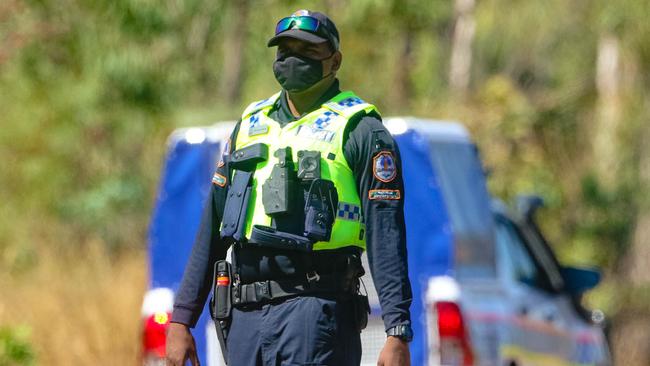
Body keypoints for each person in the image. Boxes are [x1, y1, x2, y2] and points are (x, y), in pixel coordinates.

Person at [166, 9, 413, 366]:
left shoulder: (361, 130)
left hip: (316, 312)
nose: (293, 59)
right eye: (285, 50)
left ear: (335, 60)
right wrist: (182, 319)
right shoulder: (250, 124)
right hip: (244, 316)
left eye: (307, 51)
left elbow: (385, 234)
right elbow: (213, 226)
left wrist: (397, 330)